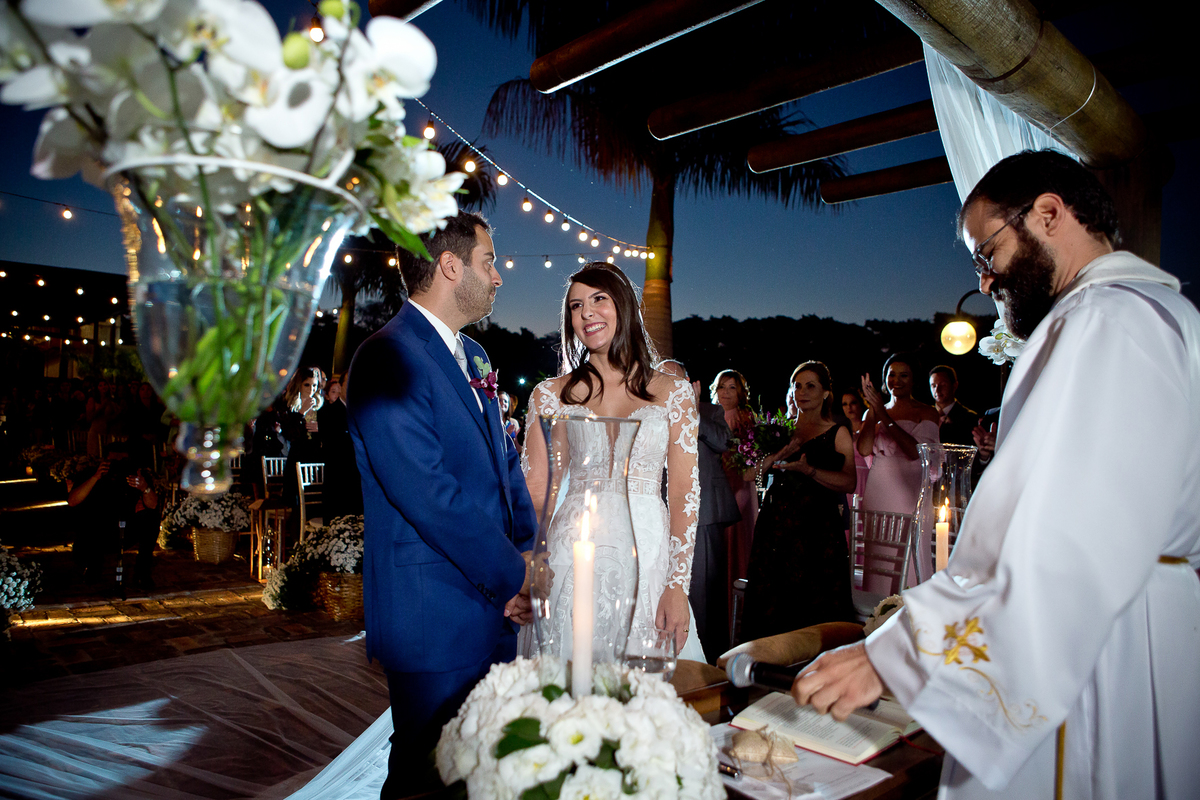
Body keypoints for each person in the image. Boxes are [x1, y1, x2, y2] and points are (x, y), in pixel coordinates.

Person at [791, 150, 1200, 800]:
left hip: (1098, 646)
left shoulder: (1104, 321)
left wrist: (897, 654)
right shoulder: (1159, 314)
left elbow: (1065, 537)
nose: (983, 281)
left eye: (988, 252)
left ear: (1048, 213)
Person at [346, 211, 537, 797]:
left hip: (497, 607)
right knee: (425, 777)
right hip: (433, 612)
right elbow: (428, 495)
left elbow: (505, 465)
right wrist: (513, 574)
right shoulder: (386, 356)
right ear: (451, 267)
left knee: (485, 773)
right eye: (489, 261)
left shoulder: (474, 356)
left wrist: (528, 551)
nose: (498, 276)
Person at [522, 262, 703, 661]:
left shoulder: (673, 393)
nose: (586, 313)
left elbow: (684, 494)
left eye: (598, 299)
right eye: (576, 306)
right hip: (570, 554)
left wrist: (677, 585)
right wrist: (530, 563)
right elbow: (537, 492)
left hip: (648, 554)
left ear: (624, 305)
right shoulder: (550, 395)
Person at [742, 362, 858, 641]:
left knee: (813, 599)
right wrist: (780, 453)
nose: (802, 392)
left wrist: (810, 471)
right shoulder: (780, 430)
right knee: (773, 598)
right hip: (776, 525)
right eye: (797, 386)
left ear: (826, 393)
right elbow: (748, 474)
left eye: (810, 386)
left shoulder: (837, 432)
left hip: (817, 528)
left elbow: (850, 482)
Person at [857, 353, 940, 589]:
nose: (897, 380)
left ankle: (910, 600)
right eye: (892, 374)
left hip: (910, 487)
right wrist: (872, 412)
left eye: (904, 375)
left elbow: (915, 452)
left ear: (914, 380)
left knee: (909, 549)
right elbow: (863, 449)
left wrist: (883, 415)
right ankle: (877, 603)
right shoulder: (873, 411)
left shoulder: (926, 412)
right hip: (879, 488)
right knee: (880, 549)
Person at [692, 377, 740, 659]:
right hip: (660, 507)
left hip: (706, 511)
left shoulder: (709, 411)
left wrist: (692, 412)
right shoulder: (651, 409)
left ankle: (711, 658)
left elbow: (725, 442)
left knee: (706, 591)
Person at [710, 369, 757, 608]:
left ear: (740, 392)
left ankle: (736, 608)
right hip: (716, 487)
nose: (726, 392)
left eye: (732, 387)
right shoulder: (709, 416)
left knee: (736, 542)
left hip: (739, 486)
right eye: (722, 387)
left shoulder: (746, 418)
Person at [318, 373, 361, 520]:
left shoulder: (363, 413)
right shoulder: (327, 413)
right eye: (348, 382)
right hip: (338, 479)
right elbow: (331, 446)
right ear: (341, 385)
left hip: (358, 480)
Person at [929, 365, 977, 447]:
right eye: (933, 386)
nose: (937, 390)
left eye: (943, 385)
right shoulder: (925, 414)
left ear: (954, 385)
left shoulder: (970, 418)